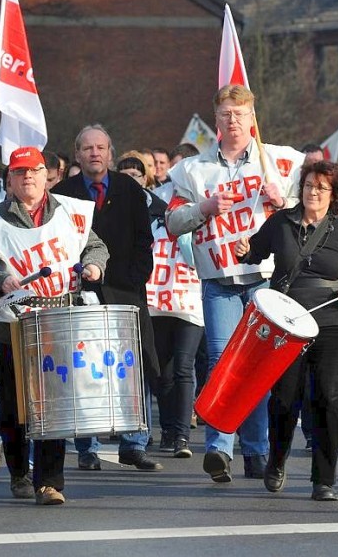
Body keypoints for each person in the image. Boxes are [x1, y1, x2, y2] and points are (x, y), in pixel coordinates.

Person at [166, 84, 305, 483]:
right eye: (226, 115)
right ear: (216, 121)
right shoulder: (192, 169)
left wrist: (286, 204)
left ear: (252, 119)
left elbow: (313, 209)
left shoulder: (279, 161)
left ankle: (257, 451)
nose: (233, 121)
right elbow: (174, 223)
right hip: (219, 280)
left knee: (257, 366)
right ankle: (219, 447)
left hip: (262, 280)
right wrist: (204, 209)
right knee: (220, 361)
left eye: (240, 114)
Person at [0, 146, 108, 505]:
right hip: (13, 325)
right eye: (19, 172)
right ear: (9, 180)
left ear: (47, 175)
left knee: (53, 405)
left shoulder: (71, 213)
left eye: (33, 170)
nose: (27, 177)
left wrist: (93, 267)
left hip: (58, 320)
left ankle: (50, 482)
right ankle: (18, 472)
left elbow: (95, 247)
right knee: (13, 407)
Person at [235, 160, 338, 501]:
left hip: (336, 323)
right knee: (285, 399)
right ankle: (277, 460)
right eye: (309, 185)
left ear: (334, 194)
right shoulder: (280, 223)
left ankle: (323, 480)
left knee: (330, 399)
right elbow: (254, 253)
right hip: (287, 324)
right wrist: (245, 250)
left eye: (321, 187)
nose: (313, 192)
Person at [54, 124, 163, 472]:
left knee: (133, 365)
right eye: (87, 148)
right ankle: (88, 445)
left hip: (125, 289)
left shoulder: (129, 189)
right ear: (77, 154)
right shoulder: (63, 193)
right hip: (81, 290)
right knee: (84, 369)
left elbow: (144, 240)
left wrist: (136, 277)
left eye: (101, 148)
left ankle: (134, 442)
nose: (95, 154)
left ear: (110, 153)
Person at [123, 158, 204, 458]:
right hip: (156, 301)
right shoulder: (148, 210)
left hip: (189, 298)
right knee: (162, 371)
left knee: (184, 366)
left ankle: (181, 435)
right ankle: (169, 429)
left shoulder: (202, 207)